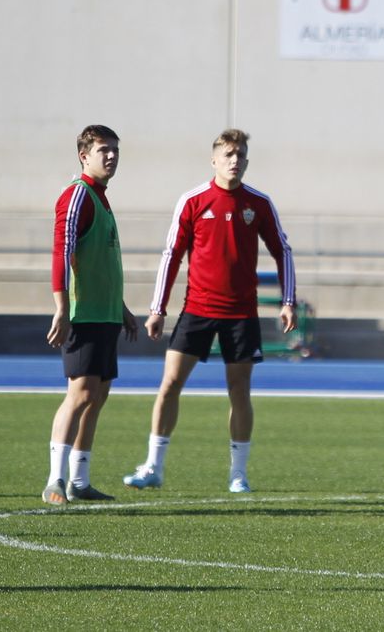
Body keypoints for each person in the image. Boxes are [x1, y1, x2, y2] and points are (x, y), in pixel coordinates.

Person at [125, 129, 296, 493]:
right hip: (197, 310)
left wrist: (288, 301)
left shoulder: (259, 203)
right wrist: (158, 309)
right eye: (229, 155)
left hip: (241, 314)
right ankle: (153, 466)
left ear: (247, 162)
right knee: (170, 384)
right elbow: (171, 255)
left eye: (241, 155)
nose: (235, 161)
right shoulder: (193, 200)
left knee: (239, 391)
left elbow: (283, 250)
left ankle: (238, 474)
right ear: (214, 160)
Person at [44, 124, 139, 504]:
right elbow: (60, 254)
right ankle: (55, 480)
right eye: (104, 150)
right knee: (80, 394)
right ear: (84, 156)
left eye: (115, 149)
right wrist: (62, 310)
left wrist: (122, 309)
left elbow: (101, 263)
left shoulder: (101, 198)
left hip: (105, 315)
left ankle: (80, 480)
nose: (112, 156)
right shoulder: (77, 196)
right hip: (82, 315)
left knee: (97, 395)